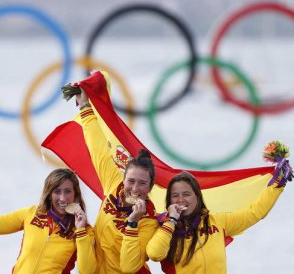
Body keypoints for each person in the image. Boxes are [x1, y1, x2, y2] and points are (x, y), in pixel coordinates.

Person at [146, 160, 293, 274]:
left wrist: (277, 185)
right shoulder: (163, 227)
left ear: (197, 196)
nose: (180, 200)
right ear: (169, 201)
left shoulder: (218, 222)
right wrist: (171, 221)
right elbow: (154, 254)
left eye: (186, 194)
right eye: (175, 196)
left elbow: (255, 212)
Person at [72, 88, 159, 273]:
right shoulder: (114, 183)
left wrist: (133, 223)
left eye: (142, 183)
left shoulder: (149, 222)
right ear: (124, 178)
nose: (134, 189)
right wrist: (85, 107)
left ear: (151, 186)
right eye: (131, 181)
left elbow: (129, 267)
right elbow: (98, 148)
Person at [0, 168, 96, 274]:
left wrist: (80, 231)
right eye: (56, 191)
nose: (62, 198)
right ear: (49, 194)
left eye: (67, 191)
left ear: (76, 195)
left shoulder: (85, 231)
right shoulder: (32, 214)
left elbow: (87, 271)